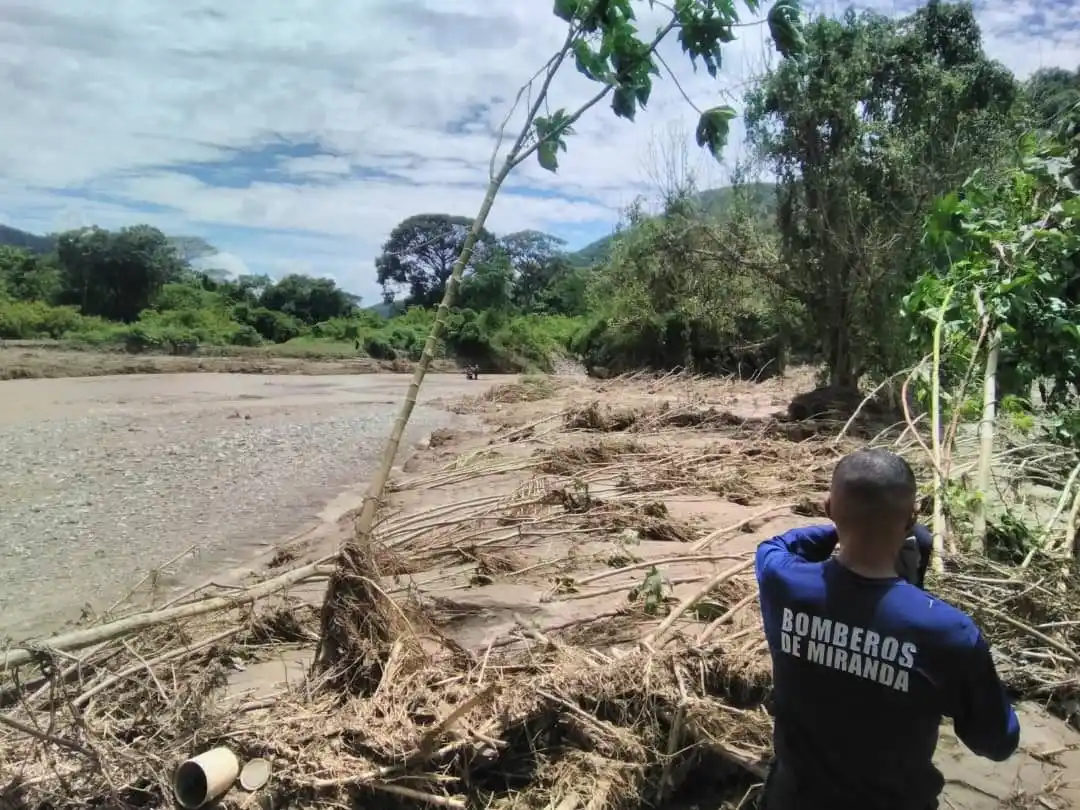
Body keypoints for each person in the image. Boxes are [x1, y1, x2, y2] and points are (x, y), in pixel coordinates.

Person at [755, 448, 1019, 810]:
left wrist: (848, 524)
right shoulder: (948, 632)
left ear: (829, 508)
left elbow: (779, 544)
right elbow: (997, 742)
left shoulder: (781, 581)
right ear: (911, 516)